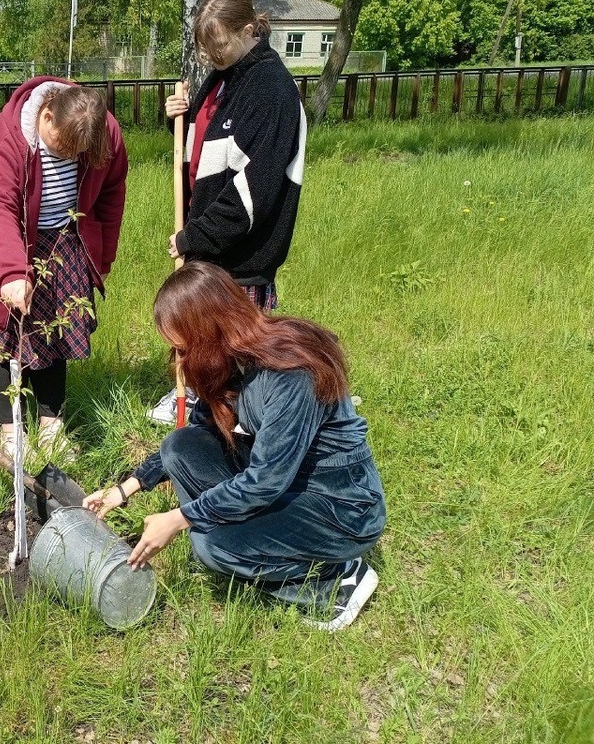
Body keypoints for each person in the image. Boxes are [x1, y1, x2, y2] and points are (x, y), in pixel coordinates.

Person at [89, 262, 386, 632]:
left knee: (212, 546)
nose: (180, 362)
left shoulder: (289, 374)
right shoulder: (234, 361)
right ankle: (255, 541)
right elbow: (197, 431)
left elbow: (265, 481)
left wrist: (179, 519)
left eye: (184, 349)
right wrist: (125, 488)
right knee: (181, 446)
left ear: (211, 332)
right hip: (291, 488)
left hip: (339, 507)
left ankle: (333, 580)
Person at [148, 0, 306, 425]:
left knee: (241, 345)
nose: (212, 55)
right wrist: (179, 118)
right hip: (212, 243)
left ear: (249, 29)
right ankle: (203, 401)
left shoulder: (272, 90)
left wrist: (193, 236)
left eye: (219, 45)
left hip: (242, 250)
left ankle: (253, 422)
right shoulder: (225, 75)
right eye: (206, 48)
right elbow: (203, 151)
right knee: (208, 337)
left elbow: (253, 192)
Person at [0, 78, 128, 459]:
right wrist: (11, 272)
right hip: (11, 241)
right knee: (7, 339)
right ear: (47, 115)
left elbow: (111, 195)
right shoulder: (5, 139)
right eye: (62, 148)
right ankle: (12, 432)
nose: (70, 157)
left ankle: (51, 428)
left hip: (66, 242)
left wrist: (102, 258)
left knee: (55, 340)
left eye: (78, 153)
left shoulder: (104, 131)